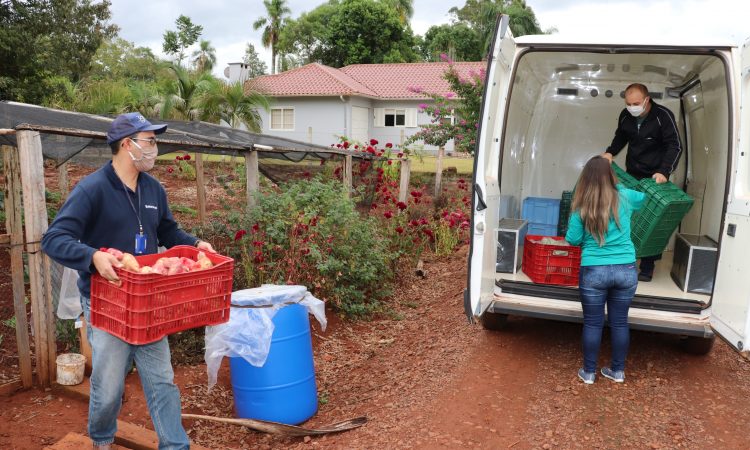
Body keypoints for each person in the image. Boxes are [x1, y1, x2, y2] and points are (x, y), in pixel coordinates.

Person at [42, 112, 215, 450]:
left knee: (162, 381)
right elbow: (54, 238)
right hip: (108, 306)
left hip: (148, 302)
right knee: (108, 389)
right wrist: (92, 256)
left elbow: (166, 229)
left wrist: (194, 243)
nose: (155, 148)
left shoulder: (153, 188)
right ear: (127, 144)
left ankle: (175, 446)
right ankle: (102, 441)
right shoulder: (92, 189)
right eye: (150, 141)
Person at [565, 156, 646, 384]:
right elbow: (644, 198)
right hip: (626, 270)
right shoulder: (625, 197)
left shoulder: (581, 205)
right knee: (620, 322)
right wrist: (616, 186)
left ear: (586, 179)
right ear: (611, 176)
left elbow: (573, 239)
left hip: (594, 271)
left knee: (593, 323)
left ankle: (589, 373)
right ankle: (617, 372)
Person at [601, 82, 682, 282]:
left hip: (655, 178)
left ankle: (647, 265)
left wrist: (664, 171)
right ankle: (626, 259)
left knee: (651, 221)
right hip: (633, 174)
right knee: (629, 218)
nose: (632, 107)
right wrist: (610, 152)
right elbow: (621, 136)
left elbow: (675, 146)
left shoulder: (663, 116)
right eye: (628, 103)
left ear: (647, 99)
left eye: (636, 103)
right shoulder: (625, 115)